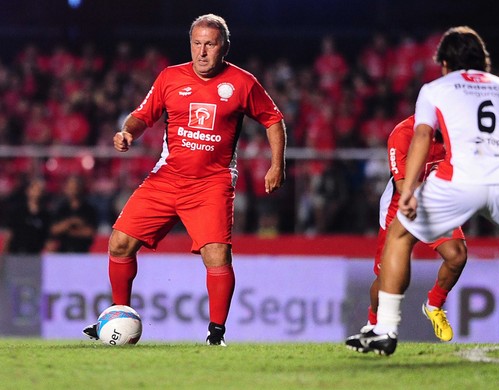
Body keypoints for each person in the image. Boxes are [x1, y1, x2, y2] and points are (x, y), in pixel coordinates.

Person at [345, 26, 499, 358]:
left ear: (444, 64)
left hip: (459, 179)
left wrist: (409, 191)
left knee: (400, 237)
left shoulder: (435, 88)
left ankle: (385, 329)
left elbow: (423, 137)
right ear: (486, 63)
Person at [82, 14, 287, 346]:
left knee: (217, 255)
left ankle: (216, 334)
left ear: (225, 48)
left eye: (210, 44)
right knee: (119, 242)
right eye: (196, 44)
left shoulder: (242, 82)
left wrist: (277, 164)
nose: (202, 52)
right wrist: (127, 133)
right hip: (167, 177)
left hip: (212, 183)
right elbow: (142, 115)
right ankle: (119, 314)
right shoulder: (170, 77)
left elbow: (273, 119)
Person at [352, 115, 467, 343]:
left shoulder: (459, 132)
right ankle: (373, 324)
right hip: (401, 205)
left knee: (457, 256)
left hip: (435, 205)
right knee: (389, 277)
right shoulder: (403, 134)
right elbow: (403, 185)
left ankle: (434, 305)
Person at [46, 174, 98, 253]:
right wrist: (71, 222)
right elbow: (54, 229)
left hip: (82, 253)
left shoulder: (89, 209)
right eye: (70, 188)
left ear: (80, 188)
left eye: (75, 188)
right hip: (63, 252)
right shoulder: (61, 208)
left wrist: (67, 231)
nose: (73, 190)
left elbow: (90, 232)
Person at [3, 176, 50, 254]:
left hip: (34, 255)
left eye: (39, 190)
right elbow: (9, 235)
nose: (37, 192)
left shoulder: (45, 215)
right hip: (17, 253)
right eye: (34, 189)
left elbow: (46, 239)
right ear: (28, 191)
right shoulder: (18, 212)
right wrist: (4, 257)